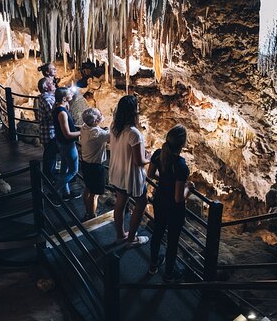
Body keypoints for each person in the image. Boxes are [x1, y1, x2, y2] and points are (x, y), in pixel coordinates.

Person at [147, 125, 193, 282]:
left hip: (159, 201)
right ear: (183, 144)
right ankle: (168, 273)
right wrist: (189, 188)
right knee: (173, 240)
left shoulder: (159, 154)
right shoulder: (180, 165)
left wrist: (165, 180)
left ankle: (153, 264)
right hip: (174, 209)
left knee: (158, 232)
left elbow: (151, 174)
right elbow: (179, 198)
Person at [108, 95, 149, 248]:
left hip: (117, 173)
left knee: (120, 203)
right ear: (133, 112)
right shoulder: (133, 133)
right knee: (141, 202)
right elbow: (139, 161)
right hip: (130, 176)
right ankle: (131, 239)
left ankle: (120, 236)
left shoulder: (114, 126)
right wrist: (149, 158)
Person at [79, 108, 110, 221]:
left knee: (87, 188)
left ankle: (87, 211)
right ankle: (92, 215)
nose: (101, 114)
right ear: (96, 121)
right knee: (94, 194)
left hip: (86, 164)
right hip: (96, 167)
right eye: (99, 114)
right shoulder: (98, 133)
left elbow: (100, 131)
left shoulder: (84, 127)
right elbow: (111, 136)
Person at [52, 87, 81, 200]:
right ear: (64, 98)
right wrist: (82, 132)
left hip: (62, 143)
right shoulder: (62, 113)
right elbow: (67, 134)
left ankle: (66, 193)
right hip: (67, 144)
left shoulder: (59, 108)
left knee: (64, 170)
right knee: (74, 171)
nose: (72, 93)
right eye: (69, 93)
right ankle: (54, 191)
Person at [34, 76, 58, 180]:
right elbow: (53, 115)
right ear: (46, 87)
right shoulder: (47, 98)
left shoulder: (45, 97)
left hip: (47, 131)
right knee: (50, 156)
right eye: (52, 83)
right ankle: (49, 178)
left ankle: (49, 176)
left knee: (50, 155)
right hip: (50, 132)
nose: (54, 84)